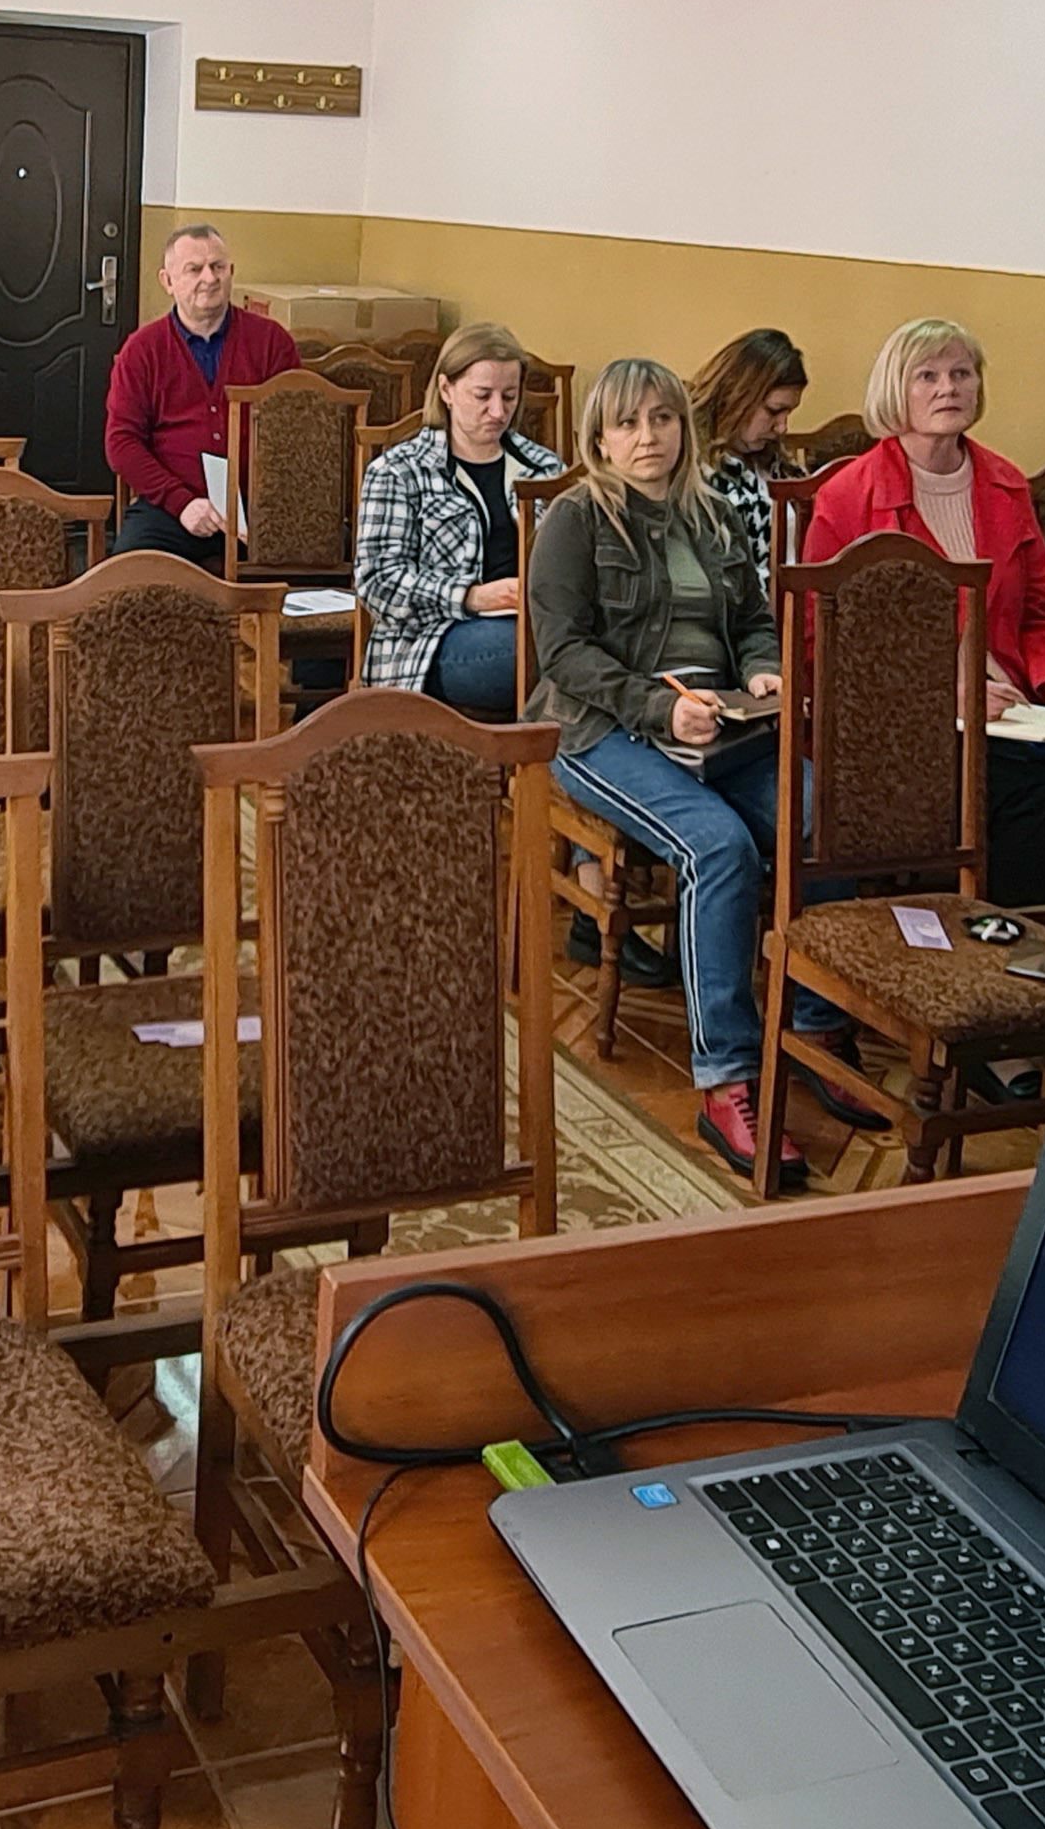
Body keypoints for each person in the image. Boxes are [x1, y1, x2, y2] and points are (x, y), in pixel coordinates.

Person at [527, 357, 884, 1185]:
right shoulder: (576, 522)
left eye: (662, 419)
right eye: (627, 423)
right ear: (599, 438)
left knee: (818, 820)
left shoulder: (715, 515)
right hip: (602, 728)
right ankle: (725, 1078)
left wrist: (762, 669)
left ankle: (820, 1028)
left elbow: (756, 619)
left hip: (719, 723)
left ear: (684, 429)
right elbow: (564, 655)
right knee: (718, 846)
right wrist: (659, 709)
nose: (647, 437)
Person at [800, 319, 1045, 904]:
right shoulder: (848, 496)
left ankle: (1017, 941)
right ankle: (975, 941)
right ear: (896, 390)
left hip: (1009, 712)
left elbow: (1039, 616)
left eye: (961, 373)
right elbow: (823, 643)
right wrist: (943, 693)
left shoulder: (1008, 485)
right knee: (1020, 780)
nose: (948, 387)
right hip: (892, 718)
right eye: (928, 375)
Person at [353, 321, 563, 719]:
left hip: (539, 624)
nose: (498, 411)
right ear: (447, 390)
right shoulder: (399, 470)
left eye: (510, 396)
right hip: (429, 642)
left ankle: (552, 762)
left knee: (587, 647)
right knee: (539, 654)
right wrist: (472, 596)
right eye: (482, 396)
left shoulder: (546, 468)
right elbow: (377, 581)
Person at [102, 222, 297, 562]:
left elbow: (298, 428)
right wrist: (182, 503)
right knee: (129, 577)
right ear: (167, 281)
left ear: (231, 272)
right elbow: (121, 443)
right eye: (194, 269)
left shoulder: (271, 342)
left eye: (218, 267)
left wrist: (270, 498)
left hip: (259, 506)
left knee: (325, 571)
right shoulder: (142, 350)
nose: (210, 278)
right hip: (172, 508)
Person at [690, 328, 813, 596]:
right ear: (737, 396)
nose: (782, 427)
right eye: (774, 411)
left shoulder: (783, 468)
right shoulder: (692, 474)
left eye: (789, 413)